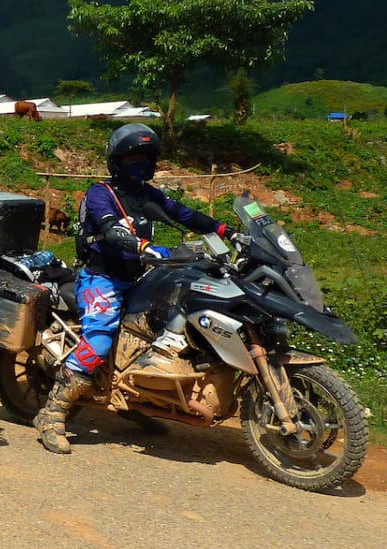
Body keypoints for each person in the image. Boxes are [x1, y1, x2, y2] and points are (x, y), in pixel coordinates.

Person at [34, 122, 237, 455]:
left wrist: (228, 231)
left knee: (161, 336)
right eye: (132, 158)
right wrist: (144, 247)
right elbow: (110, 229)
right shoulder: (100, 193)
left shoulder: (147, 194)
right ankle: (52, 414)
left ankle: (138, 399)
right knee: (99, 341)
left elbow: (184, 214)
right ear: (117, 161)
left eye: (145, 158)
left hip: (140, 277)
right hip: (101, 279)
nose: (139, 164)